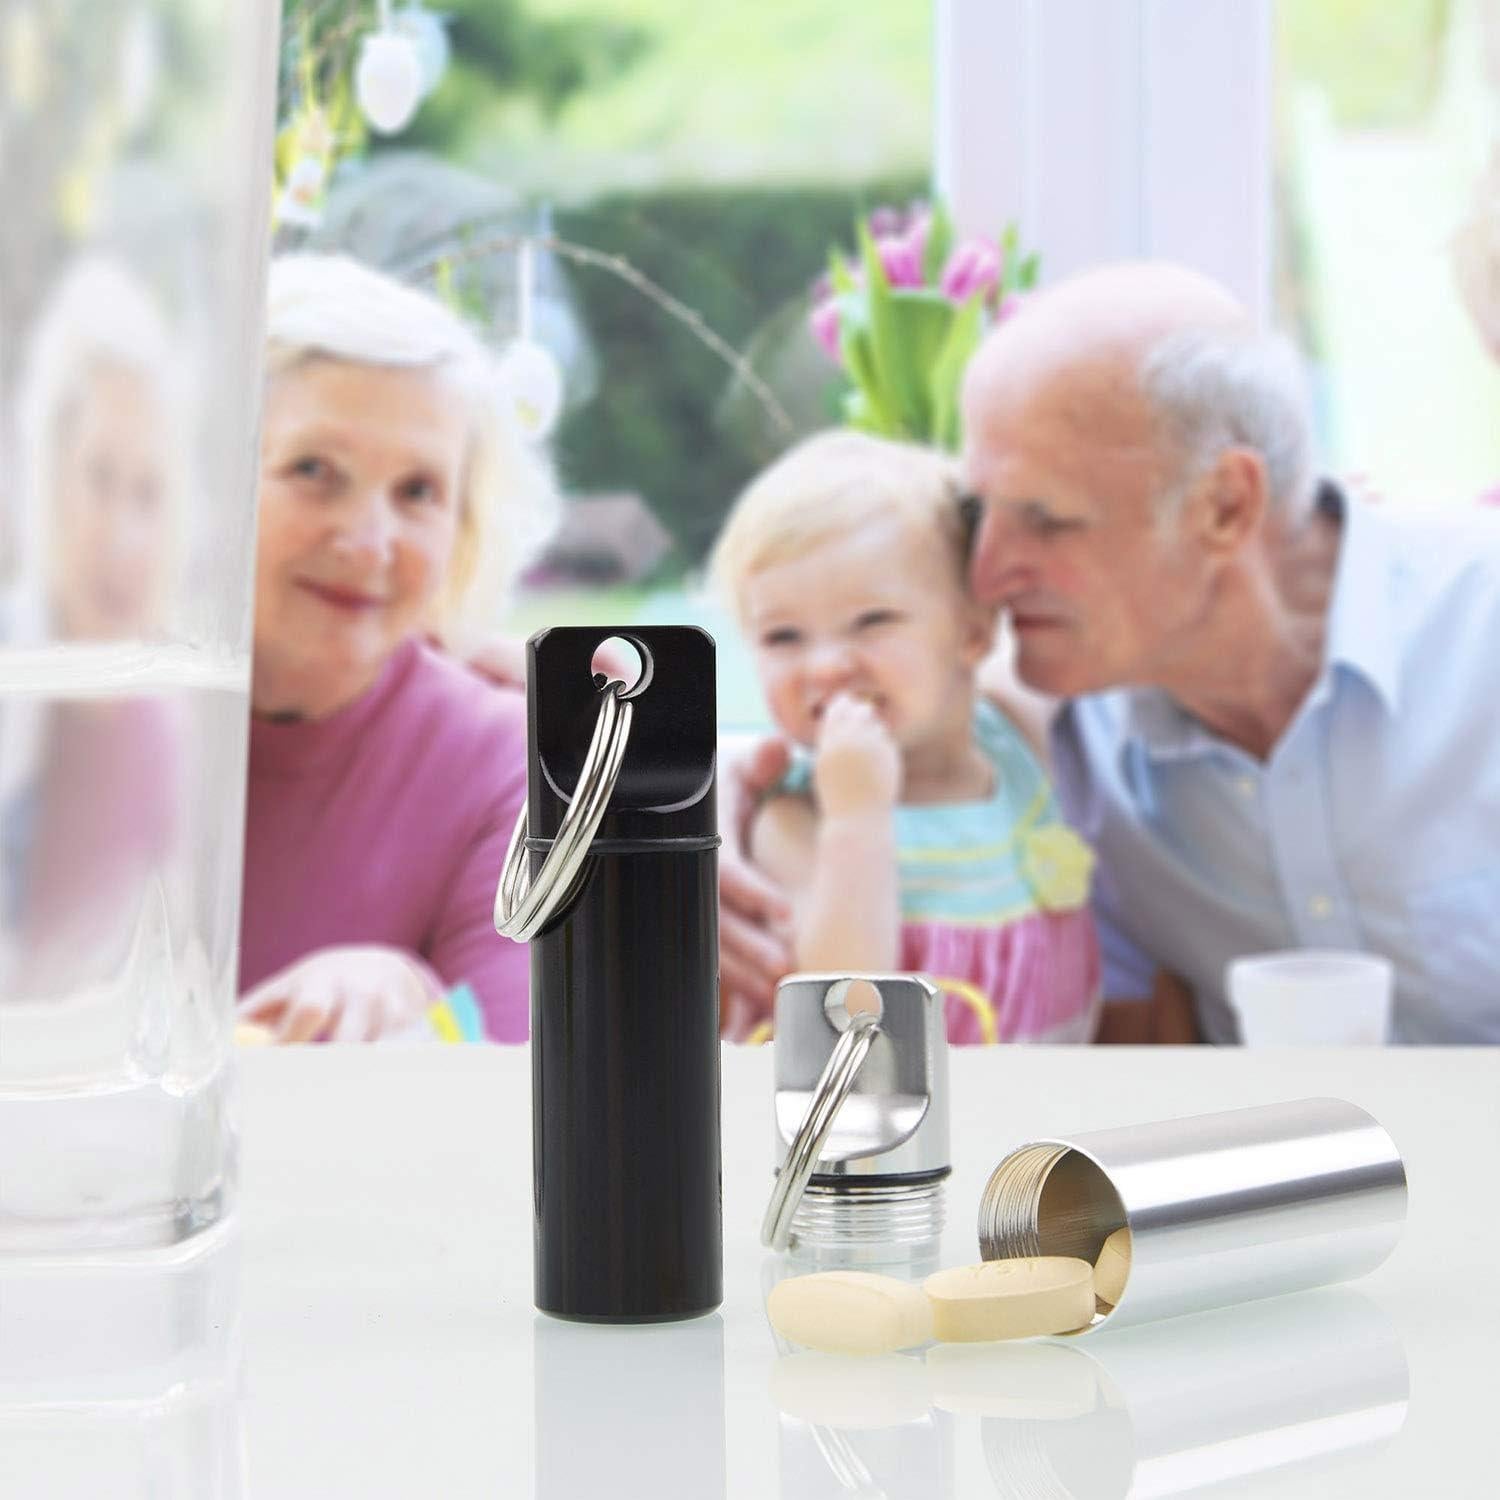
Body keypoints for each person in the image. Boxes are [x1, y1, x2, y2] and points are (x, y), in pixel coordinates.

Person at [958, 261, 1500, 1043]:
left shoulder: (1478, 629)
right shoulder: (1074, 735)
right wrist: (731, 816)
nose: (986, 573)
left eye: (1046, 519)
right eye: (981, 511)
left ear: (1225, 505)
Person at [235, 254, 557, 1044]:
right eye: (315, 470)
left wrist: (413, 1000)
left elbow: (521, 1095)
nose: (370, 541)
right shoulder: (84, 717)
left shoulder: (508, 765)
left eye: (418, 492)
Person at [712, 430, 1100, 1044]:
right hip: (889, 1129)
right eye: (783, 637)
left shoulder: (1016, 730)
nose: (825, 666)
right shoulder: (795, 813)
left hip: (1045, 1105)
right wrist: (856, 817)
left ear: (973, 633)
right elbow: (840, 1008)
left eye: (873, 622)